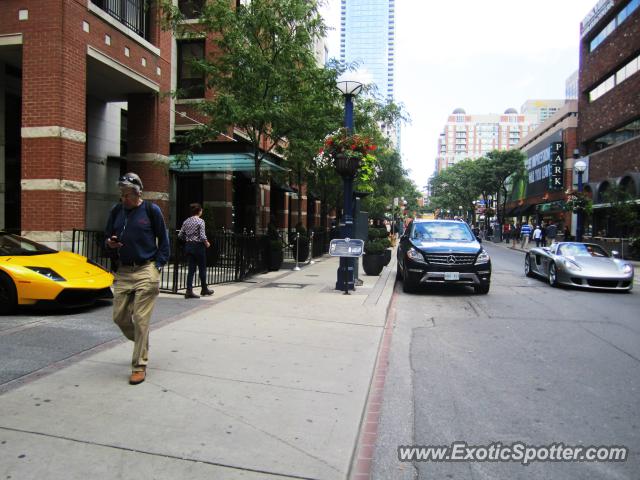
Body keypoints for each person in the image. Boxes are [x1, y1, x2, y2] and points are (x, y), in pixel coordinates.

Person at [105, 173, 170, 385]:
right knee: (119, 317)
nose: (123, 199)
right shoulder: (117, 211)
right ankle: (142, 342)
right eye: (121, 195)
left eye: (126, 195)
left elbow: (164, 240)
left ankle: (139, 366)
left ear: (137, 193)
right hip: (123, 271)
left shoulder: (151, 211)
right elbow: (105, 237)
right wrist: (110, 243)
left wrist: (157, 265)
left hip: (145, 269)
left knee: (141, 319)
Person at [178, 203, 213, 299]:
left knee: (191, 270)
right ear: (199, 211)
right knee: (202, 268)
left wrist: (188, 239)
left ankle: (189, 291)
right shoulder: (200, 221)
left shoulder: (186, 221)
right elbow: (202, 235)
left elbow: (180, 235)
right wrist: (207, 243)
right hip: (198, 247)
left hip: (189, 246)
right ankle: (204, 289)